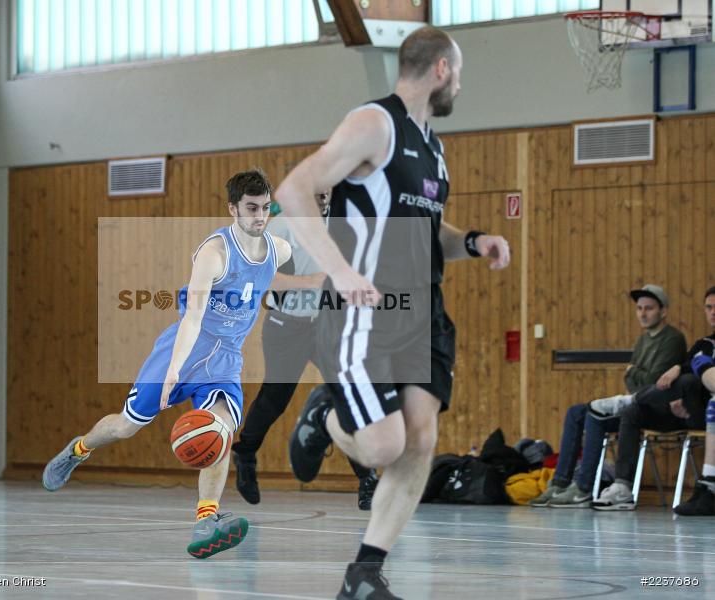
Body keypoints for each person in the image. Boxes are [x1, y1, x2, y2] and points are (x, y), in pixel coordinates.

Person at [276, 27, 510, 599]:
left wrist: (474, 241)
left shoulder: (432, 144)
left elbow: (431, 231)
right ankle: (324, 417)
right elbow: (294, 190)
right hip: (366, 311)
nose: (460, 82)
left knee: (421, 441)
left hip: (424, 312)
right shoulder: (372, 124)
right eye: (459, 71)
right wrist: (339, 271)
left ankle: (364, 573)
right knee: (385, 446)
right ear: (440, 70)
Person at [42, 169, 291, 558]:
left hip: (224, 361)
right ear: (232, 209)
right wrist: (174, 369)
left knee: (220, 431)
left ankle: (206, 519)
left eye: (265, 208)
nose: (260, 216)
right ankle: (78, 449)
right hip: (182, 351)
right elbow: (192, 318)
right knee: (125, 427)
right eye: (251, 209)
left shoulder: (279, 249)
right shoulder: (215, 254)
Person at [231, 189, 378, 510]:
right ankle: (245, 453)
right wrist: (310, 281)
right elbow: (262, 277)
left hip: (326, 325)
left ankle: (367, 477)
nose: (323, 198)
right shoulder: (282, 227)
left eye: (327, 192)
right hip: (287, 327)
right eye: (316, 192)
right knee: (275, 398)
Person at [530, 284, 686, 509]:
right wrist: (635, 375)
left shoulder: (673, 339)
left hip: (653, 409)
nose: (642, 313)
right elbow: (632, 381)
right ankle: (560, 482)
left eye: (649, 308)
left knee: (596, 416)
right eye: (639, 308)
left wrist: (633, 371)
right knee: (576, 412)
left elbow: (652, 382)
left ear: (663, 311)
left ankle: (583, 488)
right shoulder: (642, 341)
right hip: (634, 402)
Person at [674, 289, 715, 516]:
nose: (713, 312)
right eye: (709, 307)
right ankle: (709, 486)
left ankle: (710, 486)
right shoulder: (704, 344)